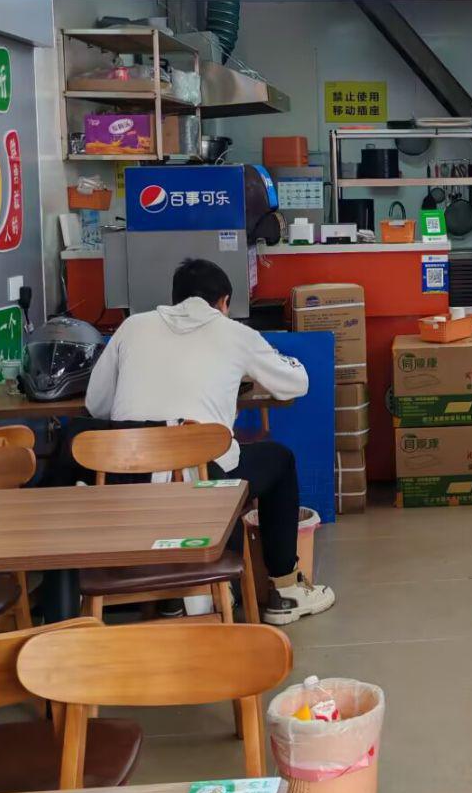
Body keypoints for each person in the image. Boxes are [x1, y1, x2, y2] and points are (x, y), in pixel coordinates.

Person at [80, 257, 335, 625]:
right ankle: (286, 589)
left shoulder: (131, 327)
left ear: (174, 298)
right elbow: (296, 383)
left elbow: (96, 404)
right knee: (279, 460)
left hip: (127, 484)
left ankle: (172, 595)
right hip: (205, 485)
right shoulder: (235, 334)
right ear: (224, 302)